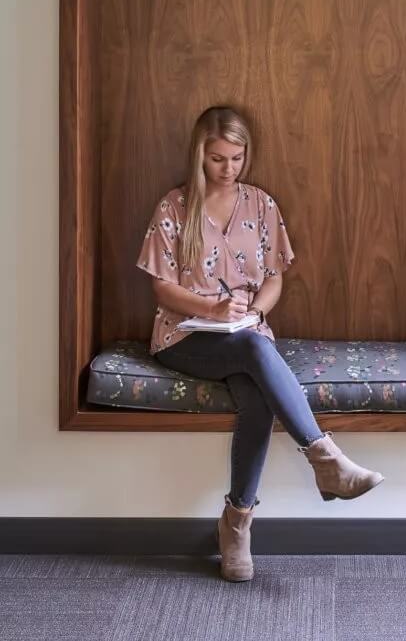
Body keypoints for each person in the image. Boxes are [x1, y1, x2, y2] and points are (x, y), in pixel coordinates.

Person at [136, 105, 384, 582]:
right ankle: (325, 459)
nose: (228, 168)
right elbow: (161, 289)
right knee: (255, 350)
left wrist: (255, 312)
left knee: (255, 395)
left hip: (245, 333)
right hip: (183, 337)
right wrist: (211, 309)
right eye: (217, 158)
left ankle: (236, 523)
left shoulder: (261, 204)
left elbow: (274, 277)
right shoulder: (174, 206)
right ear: (199, 155)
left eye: (237, 158)